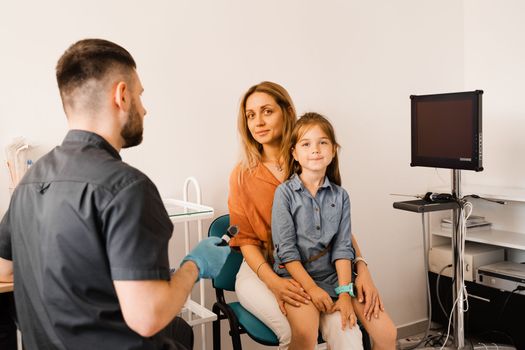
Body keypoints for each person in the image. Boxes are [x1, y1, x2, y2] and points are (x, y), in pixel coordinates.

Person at [0, 38, 230, 350]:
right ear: (122, 95)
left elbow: (4, 269)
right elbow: (148, 317)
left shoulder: (29, 181)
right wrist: (195, 264)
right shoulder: (128, 188)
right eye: (140, 95)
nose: (145, 109)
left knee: (180, 333)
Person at [228, 81, 397, 349]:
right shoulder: (242, 175)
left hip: (321, 270)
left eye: (267, 111)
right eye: (251, 115)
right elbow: (246, 240)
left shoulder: (309, 159)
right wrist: (274, 284)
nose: (258, 121)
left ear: (286, 111)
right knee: (294, 330)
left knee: (348, 331)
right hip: (265, 269)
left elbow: (336, 230)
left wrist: (361, 268)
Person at [271, 112, 362, 349]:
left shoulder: (341, 196)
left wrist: (344, 293)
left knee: (350, 337)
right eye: (306, 144)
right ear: (294, 153)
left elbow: (343, 248)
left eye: (323, 143)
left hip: (331, 278)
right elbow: (287, 252)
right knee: (305, 335)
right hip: (296, 280)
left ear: (333, 150)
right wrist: (311, 289)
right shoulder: (284, 194)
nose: (315, 150)